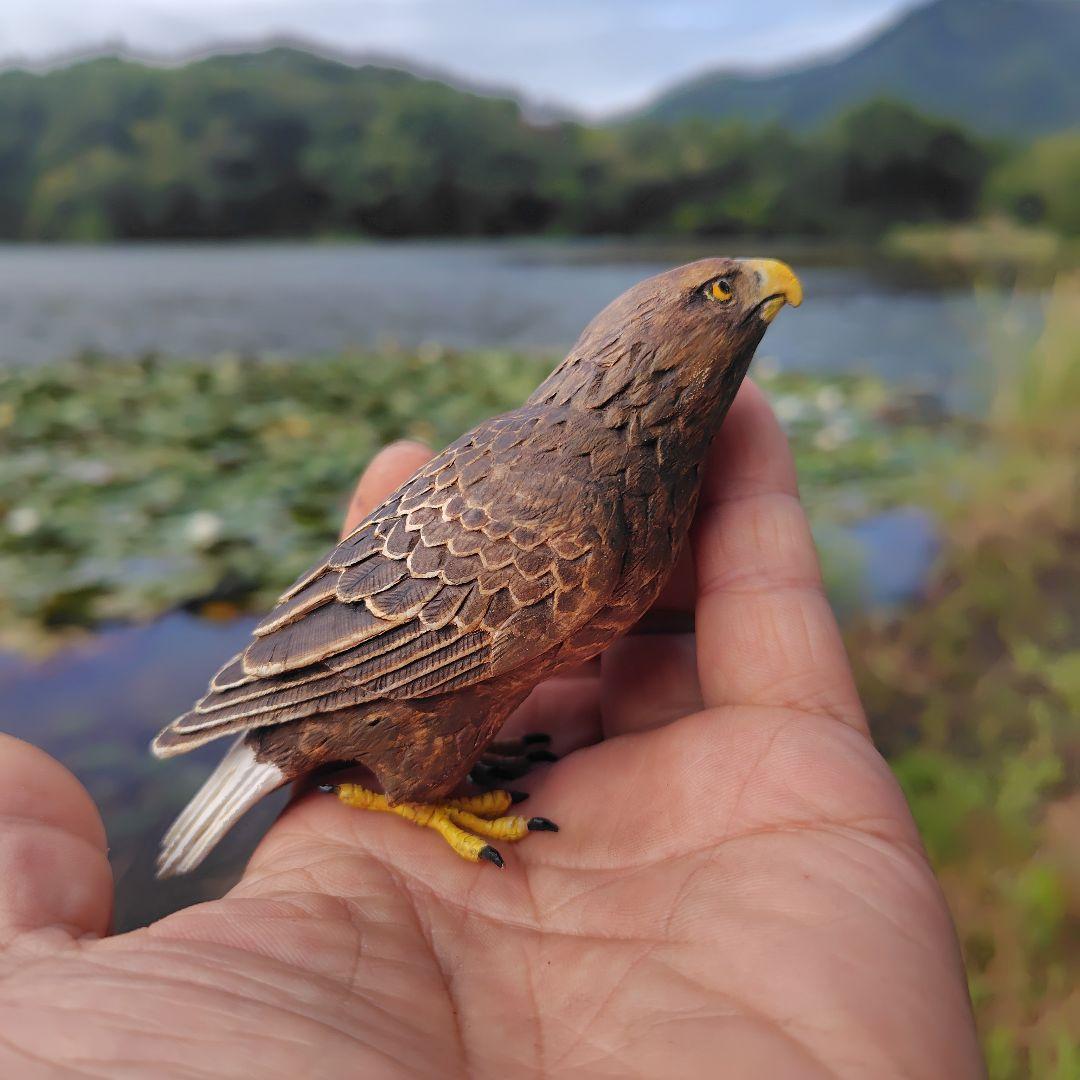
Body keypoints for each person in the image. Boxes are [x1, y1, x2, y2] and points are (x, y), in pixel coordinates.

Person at [0, 382, 983, 1077]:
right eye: (726, 289)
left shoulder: (577, 464)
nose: (767, 286)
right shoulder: (562, 488)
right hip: (356, 701)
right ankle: (420, 798)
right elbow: (398, 636)